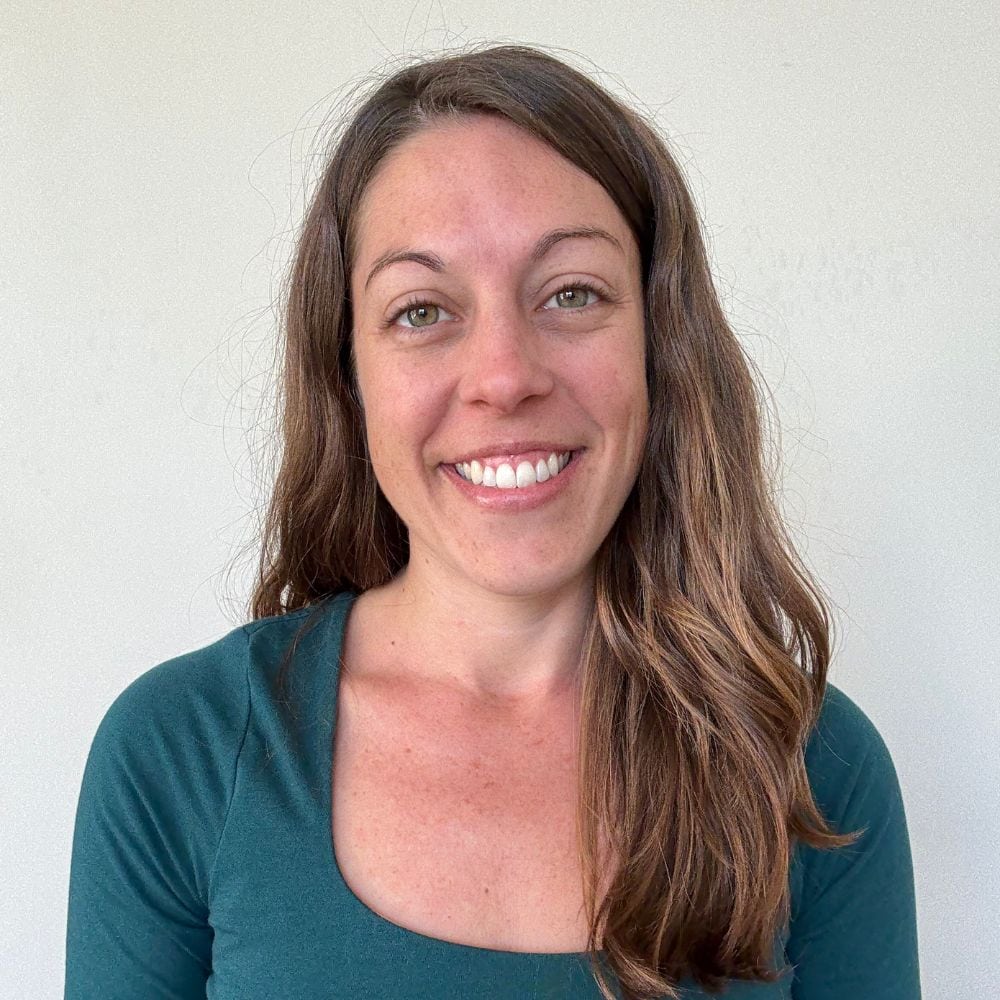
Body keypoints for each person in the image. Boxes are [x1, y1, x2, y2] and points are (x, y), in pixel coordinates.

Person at [65, 43, 921, 1000]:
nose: (506, 376)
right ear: (348, 376)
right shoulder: (179, 753)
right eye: (423, 311)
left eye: (572, 293)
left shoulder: (812, 771)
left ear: (660, 346)